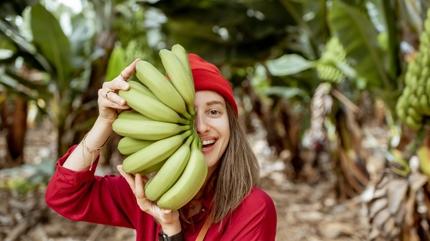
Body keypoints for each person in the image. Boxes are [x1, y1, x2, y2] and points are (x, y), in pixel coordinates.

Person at [45, 53, 277, 241]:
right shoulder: (145, 189)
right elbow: (64, 196)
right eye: (186, 114)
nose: (200, 127)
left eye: (214, 111)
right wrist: (104, 121)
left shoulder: (254, 210)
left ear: (231, 124)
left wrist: (170, 229)